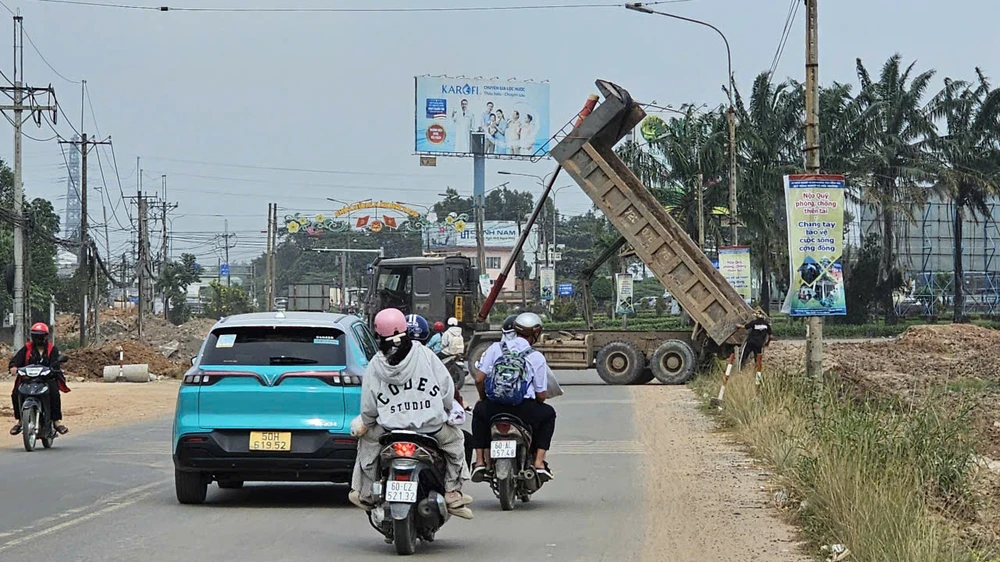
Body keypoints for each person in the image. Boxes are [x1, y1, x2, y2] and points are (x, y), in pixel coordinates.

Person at [349, 308, 473, 518]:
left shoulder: (376, 364)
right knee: (456, 441)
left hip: (389, 430)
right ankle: (452, 492)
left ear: (378, 334)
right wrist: (448, 406)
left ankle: (367, 493)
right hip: (431, 428)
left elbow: (368, 407)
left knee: (367, 445)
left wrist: (368, 423)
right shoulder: (424, 354)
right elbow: (446, 388)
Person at [469, 312, 556, 482]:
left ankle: (480, 461)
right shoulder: (536, 357)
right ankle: (538, 463)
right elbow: (541, 395)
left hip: (494, 406)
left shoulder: (496, 348)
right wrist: (537, 401)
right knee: (549, 414)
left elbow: (479, 379)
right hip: (523, 409)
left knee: (479, 412)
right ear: (536, 333)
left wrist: (483, 398)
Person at [9, 323, 69, 436]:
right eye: (35, 336)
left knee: (54, 393)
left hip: (46, 379)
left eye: (41, 336)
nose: (38, 338)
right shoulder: (27, 348)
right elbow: (16, 360)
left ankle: (56, 422)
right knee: (15, 393)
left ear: (46, 336)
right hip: (29, 379)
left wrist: (53, 369)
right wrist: (13, 367)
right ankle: (20, 421)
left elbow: (56, 363)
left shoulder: (52, 349)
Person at [741, 308, 773, 388]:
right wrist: (767, 343)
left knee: (744, 355)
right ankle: (757, 372)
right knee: (758, 358)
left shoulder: (754, 323)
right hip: (759, 344)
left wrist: (737, 326)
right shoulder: (766, 324)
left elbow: (745, 327)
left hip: (750, 342)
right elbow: (771, 336)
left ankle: (741, 368)